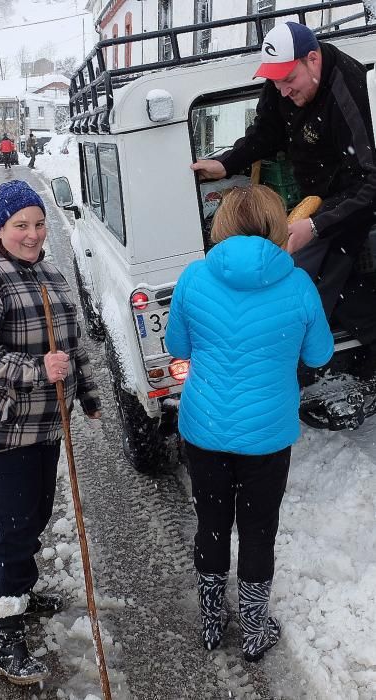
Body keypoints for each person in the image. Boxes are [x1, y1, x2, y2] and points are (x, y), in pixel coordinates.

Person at [165, 185, 333, 661]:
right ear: (277, 225)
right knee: (259, 530)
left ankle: (212, 618)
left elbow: (179, 348)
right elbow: (319, 354)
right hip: (267, 436)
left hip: (206, 429)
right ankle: (255, 627)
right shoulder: (298, 284)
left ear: (222, 224)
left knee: (212, 523)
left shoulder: (194, 278)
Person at [0, 180, 102, 685]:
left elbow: (72, 340)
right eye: (21, 226)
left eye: (38, 224)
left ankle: (22, 591)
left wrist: (88, 395)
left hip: (43, 427)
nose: (33, 235)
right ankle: (5, 629)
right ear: (1, 227)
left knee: (33, 518)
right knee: (11, 529)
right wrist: (39, 370)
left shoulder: (50, 274)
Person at [192, 21, 376, 345]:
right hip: (313, 198)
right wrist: (226, 163)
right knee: (339, 297)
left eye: (289, 79)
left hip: (348, 205)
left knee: (311, 289)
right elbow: (266, 131)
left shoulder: (348, 90)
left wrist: (316, 226)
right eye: (276, 82)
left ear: (313, 59)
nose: (283, 91)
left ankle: (305, 357)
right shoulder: (282, 84)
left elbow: (370, 181)